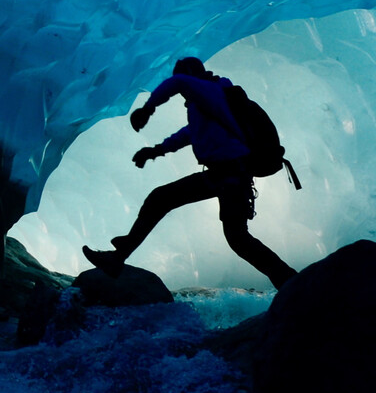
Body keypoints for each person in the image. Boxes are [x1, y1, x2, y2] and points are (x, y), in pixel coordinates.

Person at [82, 57, 297, 289]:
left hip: (231, 174)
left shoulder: (209, 90)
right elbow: (189, 133)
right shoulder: (208, 102)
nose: (183, 95)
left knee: (235, 236)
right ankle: (288, 280)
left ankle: (289, 281)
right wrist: (156, 150)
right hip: (225, 174)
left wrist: (147, 108)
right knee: (172, 204)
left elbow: (180, 82)